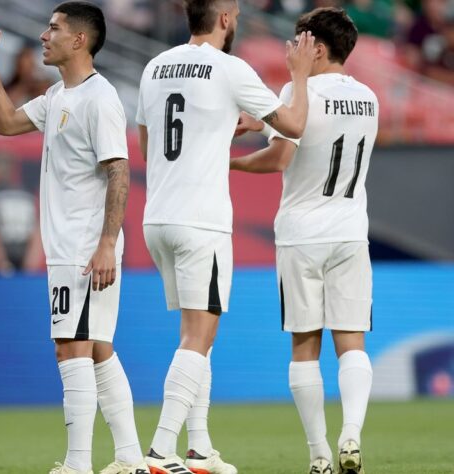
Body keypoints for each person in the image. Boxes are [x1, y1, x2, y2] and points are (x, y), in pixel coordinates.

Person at [135, 0, 316, 472]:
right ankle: (159, 451)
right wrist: (298, 75)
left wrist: (210, 138)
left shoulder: (155, 65)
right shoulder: (230, 68)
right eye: (233, 12)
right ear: (224, 18)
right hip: (202, 219)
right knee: (200, 333)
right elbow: (293, 126)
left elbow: (147, 140)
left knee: (196, 334)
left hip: (158, 217)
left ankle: (198, 449)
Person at [0, 2, 148, 473]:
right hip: (71, 244)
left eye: (53, 28)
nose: (43, 35)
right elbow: (7, 122)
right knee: (96, 349)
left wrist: (108, 242)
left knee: (70, 346)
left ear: (79, 40)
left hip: (86, 245)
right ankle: (130, 458)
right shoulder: (57, 97)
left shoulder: (100, 98)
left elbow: (119, 171)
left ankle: (77, 464)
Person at [231, 8, 377, 474]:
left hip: (301, 234)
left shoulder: (298, 91)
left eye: (298, 41)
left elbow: (278, 159)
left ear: (316, 46)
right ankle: (351, 433)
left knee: (304, 346)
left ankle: (318, 455)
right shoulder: (368, 97)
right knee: (352, 342)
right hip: (351, 231)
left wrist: (227, 162)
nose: (291, 50)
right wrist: (264, 120)